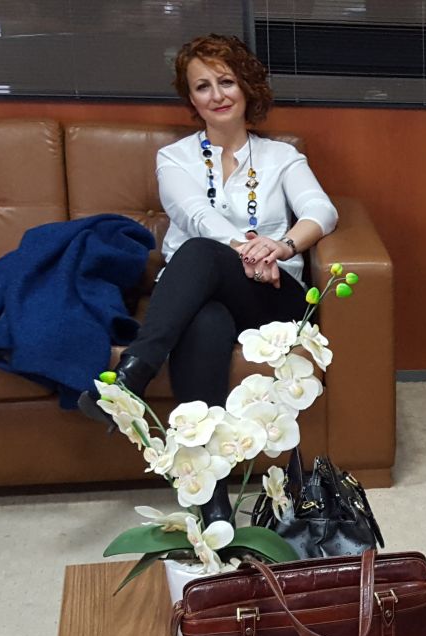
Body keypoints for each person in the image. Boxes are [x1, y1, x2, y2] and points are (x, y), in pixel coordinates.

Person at [79, 33, 337, 525]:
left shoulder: (280, 157)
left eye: (226, 82)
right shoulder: (174, 158)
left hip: (269, 296)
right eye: (203, 87)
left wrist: (281, 247)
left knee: (199, 252)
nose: (217, 95)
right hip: (202, 293)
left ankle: (132, 375)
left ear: (247, 88)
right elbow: (196, 215)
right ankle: (212, 498)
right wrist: (247, 248)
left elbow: (320, 211)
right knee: (206, 320)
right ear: (191, 99)